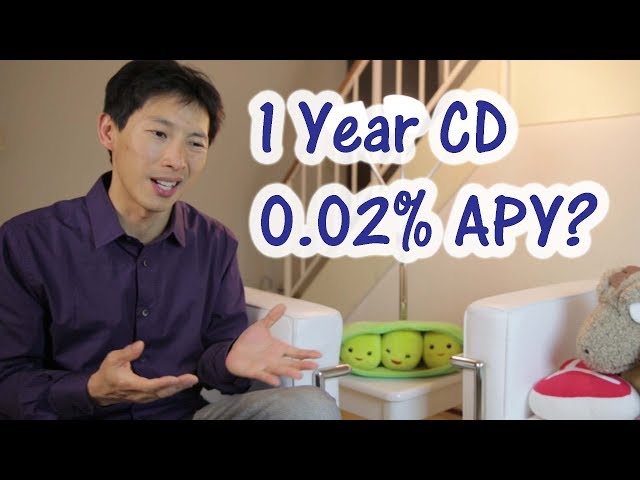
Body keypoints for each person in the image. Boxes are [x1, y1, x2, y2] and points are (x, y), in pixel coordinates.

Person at [0, 60, 341, 420]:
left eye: (195, 143)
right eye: (159, 134)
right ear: (108, 131)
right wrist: (90, 390)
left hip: (182, 415)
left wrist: (229, 359)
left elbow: (215, 358)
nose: (176, 161)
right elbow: (7, 379)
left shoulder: (215, 244)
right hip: (74, 415)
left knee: (311, 406)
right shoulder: (28, 242)